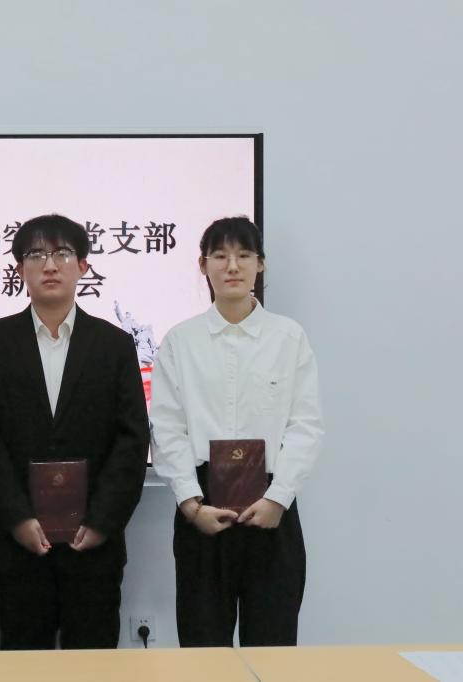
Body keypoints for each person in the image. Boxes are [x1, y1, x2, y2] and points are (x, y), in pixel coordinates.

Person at [0, 214, 150, 650]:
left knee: (94, 663)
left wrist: (102, 521)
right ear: (19, 269)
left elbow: (131, 439)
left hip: (94, 543)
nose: (50, 265)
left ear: (83, 266)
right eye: (36, 255)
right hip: (20, 542)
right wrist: (17, 518)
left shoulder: (114, 344)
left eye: (62, 254)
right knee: (24, 661)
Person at [150, 216, 324, 647]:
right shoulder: (180, 341)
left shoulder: (288, 337)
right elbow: (167, 427)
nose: (232, 266)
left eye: (244, 255)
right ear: (202, 265)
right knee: (203, 647)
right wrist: (191, 504)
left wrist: (278, 498)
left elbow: (305, 425)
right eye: (220, 256)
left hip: (272, 505)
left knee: (273, 646)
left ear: (260, 264)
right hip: (202, 505)